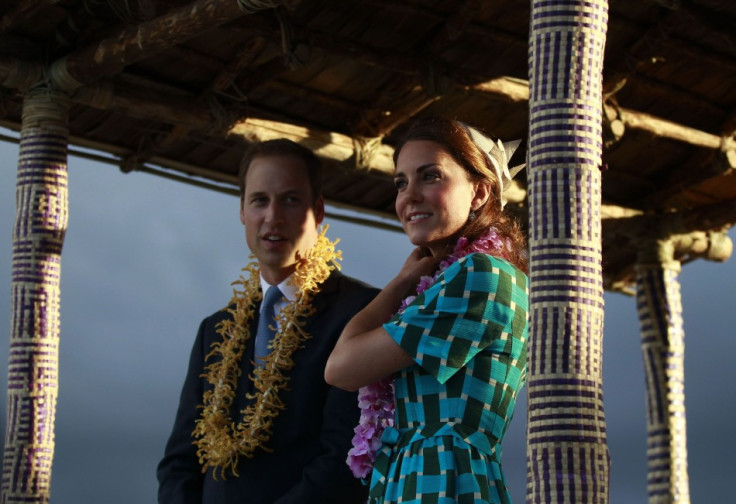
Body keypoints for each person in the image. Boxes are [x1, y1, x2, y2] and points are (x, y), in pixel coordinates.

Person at [157, 139, 378, 504]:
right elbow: (180, 463)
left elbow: (344, 457)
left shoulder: (361, 312)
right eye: (260, 200)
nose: (273, 216)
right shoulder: (213, 330)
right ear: (243, 212)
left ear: (317, 211)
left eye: (290, 200)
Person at [325, 117, 530, 504]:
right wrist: (409, 279)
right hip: (419, 477)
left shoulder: (479, 275)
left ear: (480, 193)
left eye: (430, 176)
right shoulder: (457, 277)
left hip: (441, 480)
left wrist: (399, 282)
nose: (410, 196)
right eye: (401, 183)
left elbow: (341, 368)